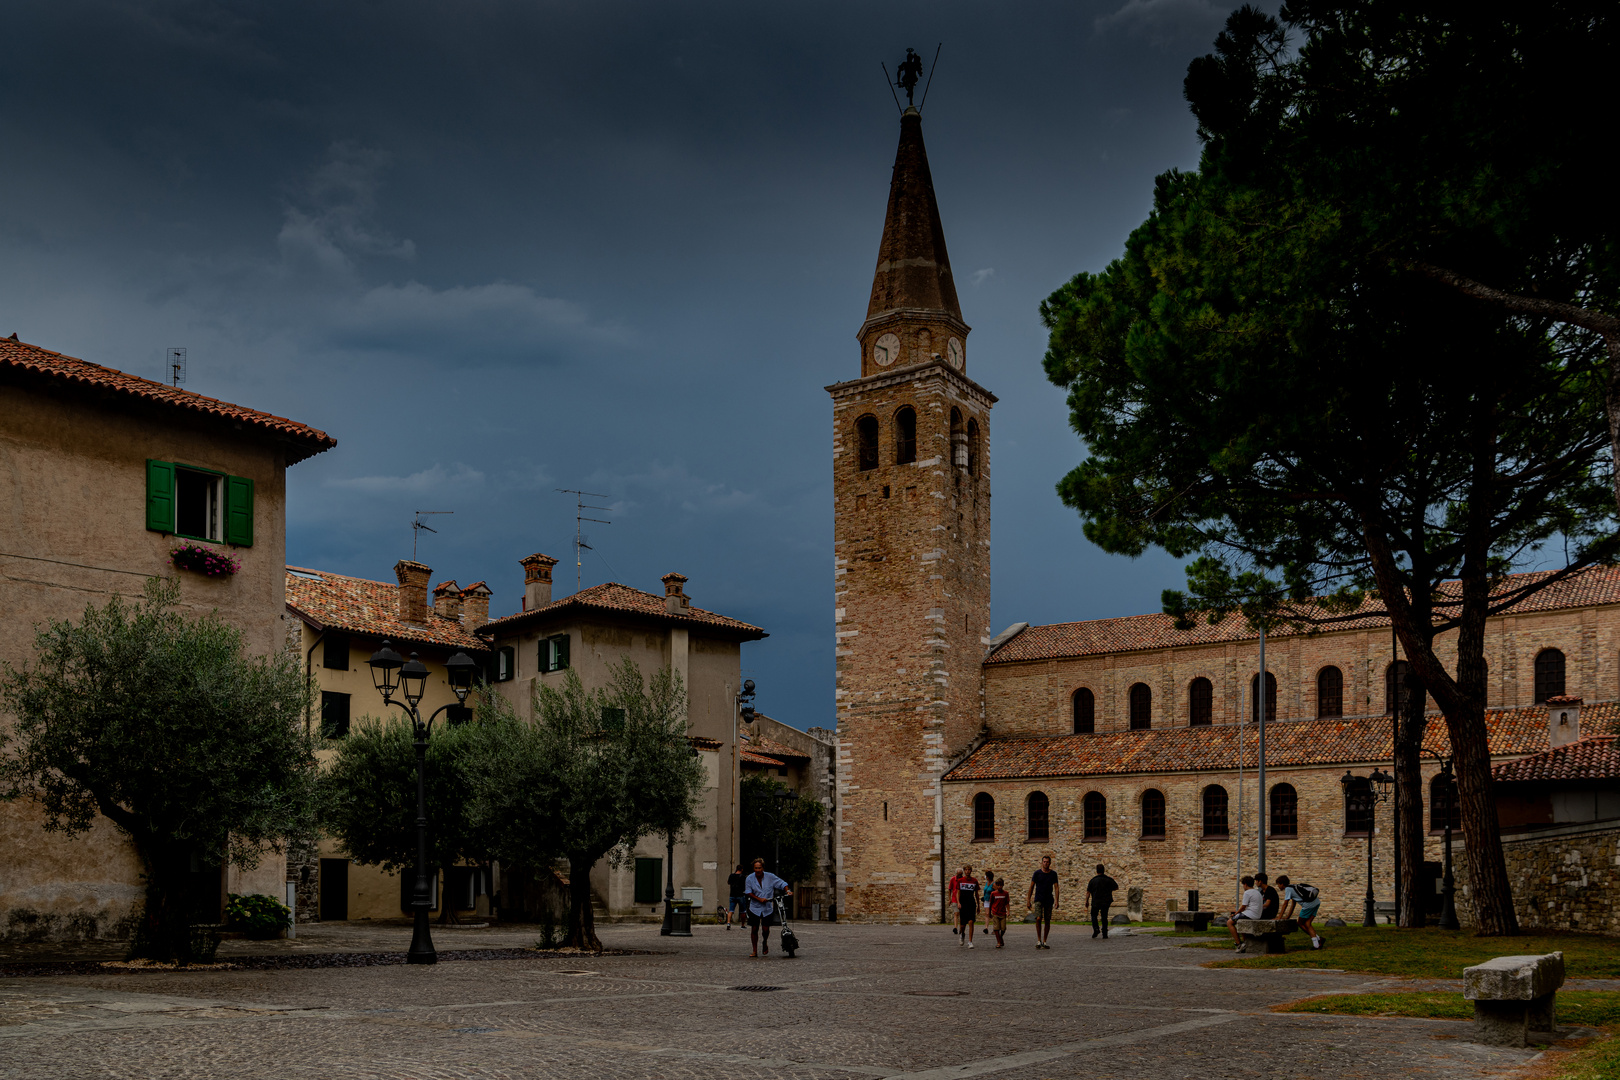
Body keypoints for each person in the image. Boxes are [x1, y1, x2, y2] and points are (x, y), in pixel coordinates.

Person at [743, 858, 791, 958]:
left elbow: (782, 883)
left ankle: (764, 942)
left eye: (759, 868)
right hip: (754, 907)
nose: (757, 870)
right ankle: (754, 950)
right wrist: (758, 899)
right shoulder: (749, 878)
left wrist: (788, 891)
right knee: (754, 929)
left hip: (767, 907)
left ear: (763, 868)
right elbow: (748, 892)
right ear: (753, 868)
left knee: (765, 929)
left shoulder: (770, 877)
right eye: (756, 868)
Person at [1276, 875, 1324, 950]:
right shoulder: (1293, 887)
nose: (1278, 886)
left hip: (1308, 905)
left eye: (1278, 884)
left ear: (1282, 884)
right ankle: (1317, 942)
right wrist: (1287, 917)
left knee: (1300, 923)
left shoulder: (1288, 889)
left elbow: (1285, 903)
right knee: (1307, 924)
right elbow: (1293, 904)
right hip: (1316, 902)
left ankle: (1317, 941)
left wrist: (1279, 917)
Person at [1026, 854, 1060, 949]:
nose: (1045, 863)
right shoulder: (1037, 873)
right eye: (1044, 862)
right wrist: (1028, 900)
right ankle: (1038, 939)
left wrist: (1057, 900)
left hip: (1049, 899)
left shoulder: (1053, 874)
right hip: (1038, 898)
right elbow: (1031, 886)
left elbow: (1056, 887)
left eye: (1047, 862)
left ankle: (1044, 941)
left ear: (1049, 863)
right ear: (1042, 863)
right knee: (1038, 918)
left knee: (1047, 920)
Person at [1228, 875, 1262, 952]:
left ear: (1245, 884)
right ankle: (1245, 942)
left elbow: (1243, 907)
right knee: (1240, 922)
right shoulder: (1257, 892)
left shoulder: (1247, 892)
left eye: (1243, 885)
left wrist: (1235, 914)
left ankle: (1239, 944)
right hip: (1257, 915)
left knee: (1229, 922)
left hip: (1250, 914)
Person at [1085, 864, 1119, 939]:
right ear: (1104, 870)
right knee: (1104, 916)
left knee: (1094, 915)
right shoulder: (1108, 879)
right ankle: (1104, 932)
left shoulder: (1093, 880)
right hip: (1106, 901)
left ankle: (1096, 928)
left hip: (1095, 901)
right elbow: (1116, 887)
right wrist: (1109, 889)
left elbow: (1088, 892)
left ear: (1097, 871)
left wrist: (1086, 901)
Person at [956, 865, 980, 947]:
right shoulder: (960, 881)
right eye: (966, 870)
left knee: (971, 921)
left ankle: (970, 941)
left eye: (969, 870)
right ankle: (962, 934)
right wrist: (958, 902)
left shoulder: (974, 881)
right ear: (964, 871)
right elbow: (958, 892)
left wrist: (978, 905)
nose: (967, 871)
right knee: (963, 925)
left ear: (971, 871)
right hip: (963, 903)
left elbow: (976, 894)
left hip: (971, 903)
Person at [988, 877, 1010, 948]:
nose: (1000, 887)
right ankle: (998, 942)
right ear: (996, 886)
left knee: (1003, 928)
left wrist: (1008, 911)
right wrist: (989, 912)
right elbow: (991, 903)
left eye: (1001, 885)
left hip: (1003, 913)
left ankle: (1000, 937)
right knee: (996, 928)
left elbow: (1007, 903)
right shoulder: (993, 893)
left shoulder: (1005, 893)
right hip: (995, 912)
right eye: (998, 885)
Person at [947, 865, 967, 935]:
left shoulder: (964, 879)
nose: (960, 876)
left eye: (961, 874)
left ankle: (961, 928)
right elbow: (950, 889)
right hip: (954, 899)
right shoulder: (953, 879)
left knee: (961, 914)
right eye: (959, 874)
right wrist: (949, 899)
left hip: (962, 898)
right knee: (956, 913)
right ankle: (955, 927)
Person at [726, 864, 746, 930]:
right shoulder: (743, 877)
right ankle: (742, 925)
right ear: (742, 869)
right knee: (743, 911)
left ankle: (728, 923)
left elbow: (728, 882)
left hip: (732, 895)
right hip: (740, 895)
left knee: (731, 910)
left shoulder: (731, 875)